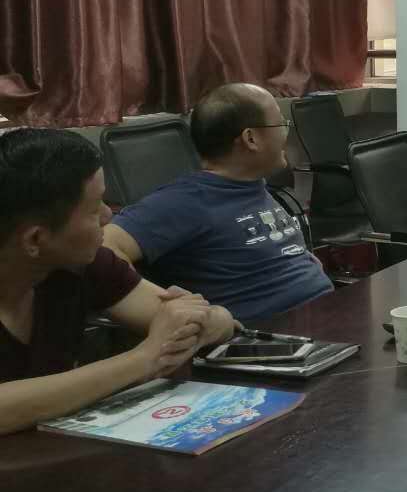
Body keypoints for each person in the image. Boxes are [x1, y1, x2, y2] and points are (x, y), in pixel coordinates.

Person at [0, 128, 235, 435]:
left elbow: (205, 320)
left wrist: (206, 319)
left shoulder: (83, 263)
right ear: (35, 239)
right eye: (94, 208)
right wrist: (142, 359)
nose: (108, 215)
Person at [103, 84, 333, 323]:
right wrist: (166, 312)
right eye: (281, 125)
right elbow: (104, 249)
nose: (286, 134)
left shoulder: (253, 186)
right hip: (276, 336)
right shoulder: (186, 201)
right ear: (251, 139)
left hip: (325, 315)